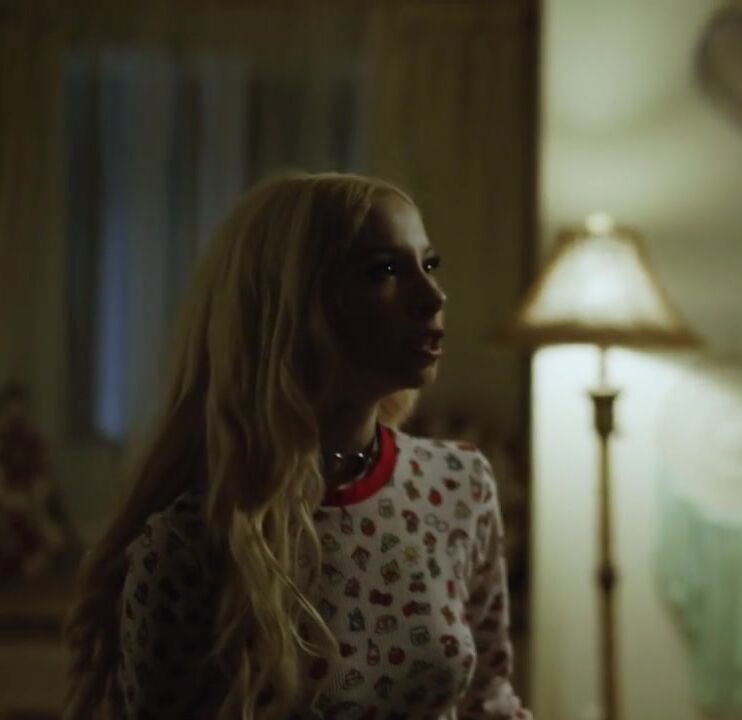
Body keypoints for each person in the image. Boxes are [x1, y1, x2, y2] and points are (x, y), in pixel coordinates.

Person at [63, 172, 532, 720]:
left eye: (428, 265)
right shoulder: (189, 545)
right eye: (384, 269)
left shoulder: (458, 484)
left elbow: (488, 699)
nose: (432, 297)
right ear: (293, 305)